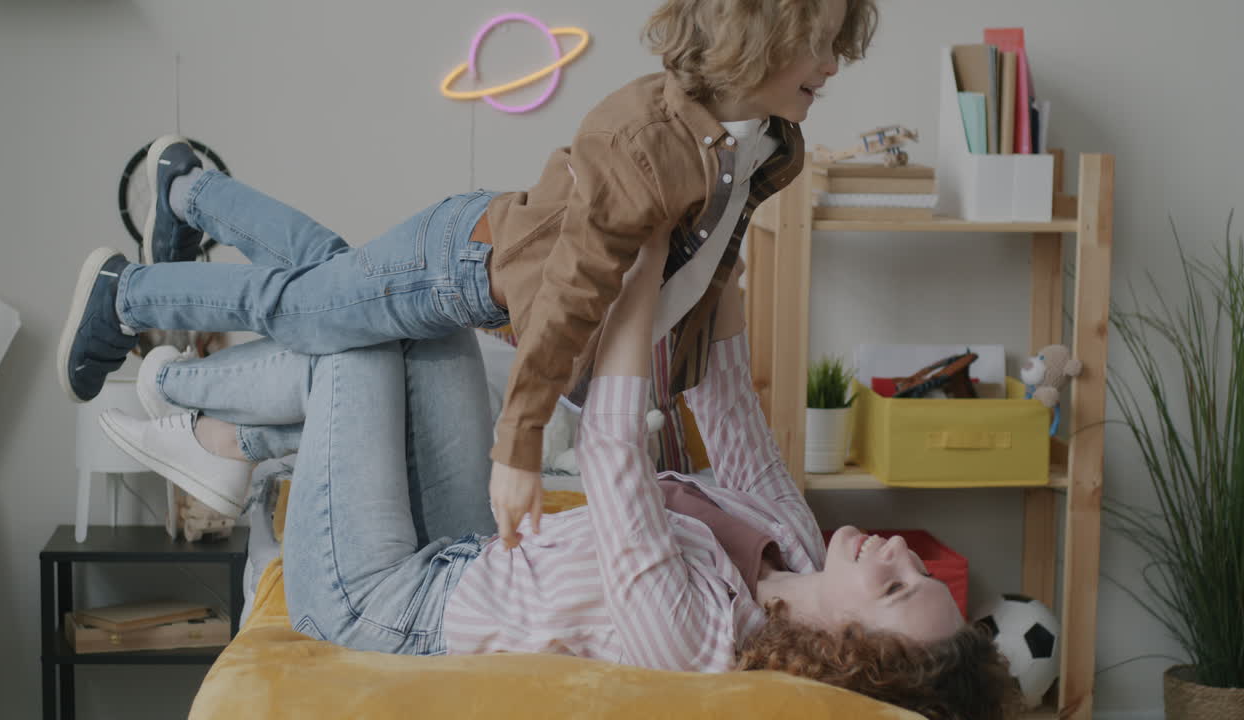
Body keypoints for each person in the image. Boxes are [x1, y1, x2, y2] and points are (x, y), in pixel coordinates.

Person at [57, 0, 880, 548]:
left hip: (481, 265)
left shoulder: (775, 142)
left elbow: (706, 272)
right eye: (819, 44)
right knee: (304, 311)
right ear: (755, 38)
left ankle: (188, 188)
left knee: (325, 276)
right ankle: (124, 295)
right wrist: (518, 451)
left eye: (838, 42)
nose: (834, 64)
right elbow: (569, 300)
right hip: (460, 264)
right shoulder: (641, 142)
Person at [98, 233, 1019, 720]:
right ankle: (234, 438)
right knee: (414, 315)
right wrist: (725, 254)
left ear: (841, 649)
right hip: (463, 547)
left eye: (892, 587)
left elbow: (613, 452)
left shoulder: (694, 636)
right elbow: (732, 411)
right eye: (914, 571)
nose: (896, 552)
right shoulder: (798, 544)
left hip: (383, 605)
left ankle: (168, 387)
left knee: (356, 345)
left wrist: (644, 263)